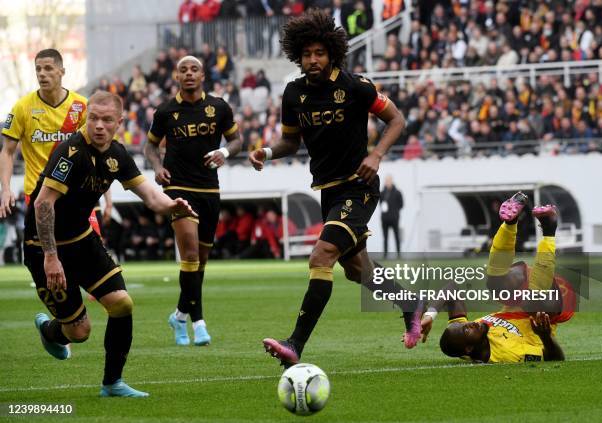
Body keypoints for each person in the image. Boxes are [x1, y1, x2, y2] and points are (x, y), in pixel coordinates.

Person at [249, 10, 421, 368]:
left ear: (332, 53)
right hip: (328, 192)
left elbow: (397, 119)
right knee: (358, 270)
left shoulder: (356, 86)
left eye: (319, 53)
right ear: (298, 55)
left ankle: (294, 344)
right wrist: (266, 152)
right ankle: (411, 305)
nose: (313, 60)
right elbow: (290, 142)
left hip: (359, 187)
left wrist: (376, 154)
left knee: (321, 255)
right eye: (307, 54)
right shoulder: (293, 93)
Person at [25, 91, 196, 396]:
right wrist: (51, 257)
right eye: (93, 118)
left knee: (122, 303)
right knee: (79, 332)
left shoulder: (118, 155)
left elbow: (150, 195)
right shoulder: (70, 152)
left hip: (81, 240)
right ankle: (51, 331)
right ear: (86, 118)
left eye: (106, 120)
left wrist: (171, 205)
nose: (99, 125)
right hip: (43, 245)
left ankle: (112, 383)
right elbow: (42, 205)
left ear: (119, 122)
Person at [145, 56, 243, 346]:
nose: (189, 74)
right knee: (189, 255)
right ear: (176, 77)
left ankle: (178, 316)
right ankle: (199, 322)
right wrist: (156, 167)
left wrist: (224, 153)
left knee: (199, 262)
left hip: (209, 190)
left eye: (194, 69)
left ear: (203, 75)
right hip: (178, 188)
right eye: (183, 70)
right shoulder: (165, 111)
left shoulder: (219, 107)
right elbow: (149, 145)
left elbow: (237, 140)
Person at [420, 193, 575, 363]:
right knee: (533, 304)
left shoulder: (469, 337)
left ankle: (510, 223)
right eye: (466, 330)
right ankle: (549, 229)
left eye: (464, 324)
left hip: (517, 297)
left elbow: (451, 289)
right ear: (469, 349)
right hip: (551, 307)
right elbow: (557, 359)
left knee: (495, 285)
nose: (469, 324)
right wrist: (545, 337)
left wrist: (429, 315)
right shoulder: (507, 354)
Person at [0, 48, 111, 234]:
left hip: (77, 192)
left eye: (48, 68)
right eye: (38, 69)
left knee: (92, 254)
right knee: (49, 256)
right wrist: (5, 189)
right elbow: (7, 152)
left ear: (62, 71)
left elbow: (99, 152)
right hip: (38, 194)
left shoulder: (82, 106)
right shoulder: (22, 107)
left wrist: (106, 196)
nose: (42, 73)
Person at [380, 175, 403, 258]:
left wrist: (394, 212)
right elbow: (380, 204)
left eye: (389, 180)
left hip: (394, 218)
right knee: (385, 237)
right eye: (386, 181)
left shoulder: (397, 193)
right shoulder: (382, 193)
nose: (387, 182)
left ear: (392, 181)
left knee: (396, 236)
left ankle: (399, 254)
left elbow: (401, 205)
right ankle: (385, 254)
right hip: (384, 219)